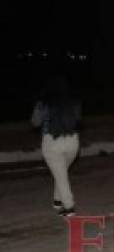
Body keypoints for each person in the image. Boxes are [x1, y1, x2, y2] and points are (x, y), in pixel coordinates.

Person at [31, 76, 81, 217]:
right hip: (73, 141)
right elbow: (78, 119)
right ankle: (57, 201)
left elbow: (35, 122)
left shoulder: (43, 103)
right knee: (61, 172)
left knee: (60, 173)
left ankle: (69, 206)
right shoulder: (74, 101)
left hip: (52, 142)